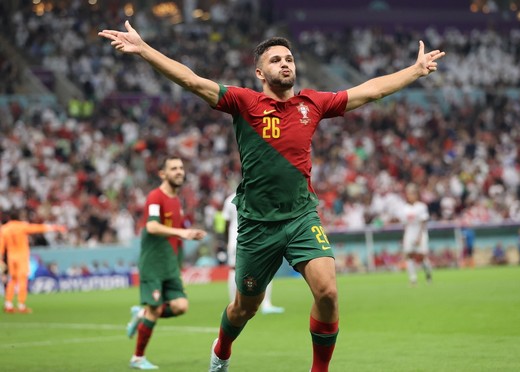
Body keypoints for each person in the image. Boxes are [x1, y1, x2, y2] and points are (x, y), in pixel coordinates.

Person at [99, 21, 444, 372]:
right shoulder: (245, 103)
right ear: (260, 72)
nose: (285, 64)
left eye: (289, 59)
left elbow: (370, 91)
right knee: (244, 308)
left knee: (327, 292)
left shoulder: (313, 103)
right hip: (256, 226)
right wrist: (144, 50)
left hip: (301, 217)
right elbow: (192, 80)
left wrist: (415, 71)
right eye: (276, 60)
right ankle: (222, 349)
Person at [125, 156, 207, 370]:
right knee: (155, 309)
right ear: (163, 174)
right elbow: (151, 227)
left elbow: (175, 239)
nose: (179, 171)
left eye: (181, 168)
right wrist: (183, 232)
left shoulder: (177, 201)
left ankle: (140, 314)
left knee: (181, 306)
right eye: (173, 169)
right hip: (153, 263)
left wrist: (178, 264)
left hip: (170, 264)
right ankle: (137, 357)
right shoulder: (155, 196)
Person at [222, 192, 284, 314]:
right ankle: (266, 304)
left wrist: (227, 241)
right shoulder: (260, 195)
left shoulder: (230, 199)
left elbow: (226, 223)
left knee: (234, 269)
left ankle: (233, 304)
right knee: (266, 267)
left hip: (236, 239)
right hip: (256, 238)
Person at [0, 210, 66, 313]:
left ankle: (8, 304)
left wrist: (0, 259)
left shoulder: (4, 229)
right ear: (18, 217)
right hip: (21, 256)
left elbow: (1, 246)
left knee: (12, 280)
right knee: (22, 280)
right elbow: (38, 228)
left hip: (11, 257)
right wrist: (55, 227)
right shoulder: (22, 226)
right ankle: (21, 305)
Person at [397, 184, 433, 285]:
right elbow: (405, 224)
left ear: (417, 195)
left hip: (419, 232)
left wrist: (419, 237)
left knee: (421, 257)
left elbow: (423, 223)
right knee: (409, 255)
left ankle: (428, 274)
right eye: (408, 194)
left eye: (412, 193)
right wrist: (403, 237)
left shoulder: (421, 207)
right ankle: (413, 278)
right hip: (409, 233)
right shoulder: (405, 208)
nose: (410, 196)